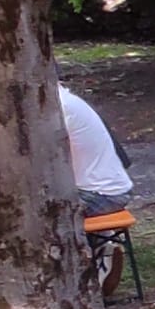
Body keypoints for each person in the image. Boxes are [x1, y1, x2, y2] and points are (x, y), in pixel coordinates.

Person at [59, 85, 136, 298]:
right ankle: (103, 241)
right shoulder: (65, 100)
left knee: (42, 215)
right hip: (103, 190)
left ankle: (96, 259)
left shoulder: (59, 108)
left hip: (102, 195)